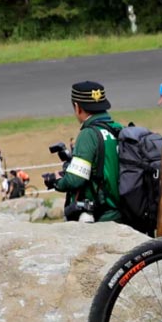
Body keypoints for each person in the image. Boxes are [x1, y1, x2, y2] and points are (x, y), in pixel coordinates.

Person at [46, 80, 124, 222]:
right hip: (122, 210)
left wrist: (57, 181)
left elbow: (75, 180)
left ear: (77, 107)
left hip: (102, 216)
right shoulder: (117, 128)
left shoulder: (88, 134)